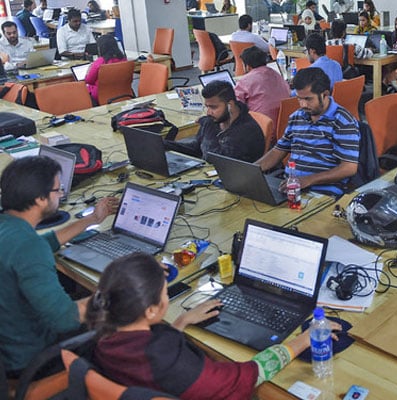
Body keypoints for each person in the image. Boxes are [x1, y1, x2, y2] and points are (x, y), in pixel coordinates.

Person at [87, 253, 341, 400]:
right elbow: (245, 377)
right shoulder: (173, 365)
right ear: (151, 310)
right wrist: (305, 339)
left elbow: (150, 359)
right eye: (164, 293)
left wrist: (181, 322)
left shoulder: (105, 334)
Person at [0, 156, 118, 376]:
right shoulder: (29, 248)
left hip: (9, 339)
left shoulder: (9, 228)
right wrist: (119, 290)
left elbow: (41, 244)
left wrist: (92, 219)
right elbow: (65, 319)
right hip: (26, 360)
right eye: (58, 190)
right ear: (40, 199)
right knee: (118, 320)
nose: (62, 194)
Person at [257, 67, 360, 197]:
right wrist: (251, 171)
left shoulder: (343, 121)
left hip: (323, 192)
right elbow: (278, 151)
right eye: (299, 99)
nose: (303, 105)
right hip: (290, 187)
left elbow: (349, 168)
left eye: (308, 99)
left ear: (325, 94)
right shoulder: (296, 117)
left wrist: (308, 180)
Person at [193, 80, 265, 162]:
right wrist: (175, 147)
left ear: (230, 105)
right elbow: (197, 147)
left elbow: (213, 160)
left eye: (213, 107)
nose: (208, 112)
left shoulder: (246, 131)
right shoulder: (217, 119)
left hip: (237, 173)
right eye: (207, 107)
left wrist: (208, 125)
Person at [235, 46, 291, 133]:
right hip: (284, 129)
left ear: (247, 66)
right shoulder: (277, 75)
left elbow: (234, 107)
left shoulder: (245, 81)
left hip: (261, 131)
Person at [84, 34, 127, 103]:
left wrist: (87, 72)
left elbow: (89, 81)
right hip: (122, 93)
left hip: (100, 95)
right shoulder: (124, 60)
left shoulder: (99, 62)